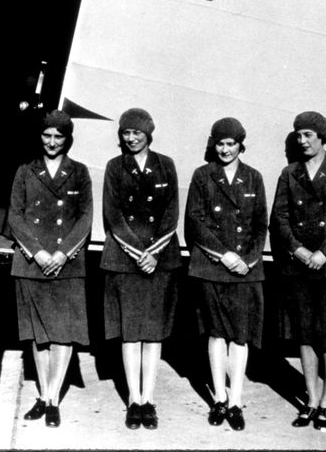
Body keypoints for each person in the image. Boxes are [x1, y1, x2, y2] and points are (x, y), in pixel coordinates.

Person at [269, 111, 326, 431]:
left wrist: (324, 253)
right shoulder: (289, 172)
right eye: (298, 135)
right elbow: (279, 218)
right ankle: (310, 399)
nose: (302, 140)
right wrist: (299, 250)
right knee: (305, 334)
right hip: (300, 266)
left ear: (322, 137)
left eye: (308, 134)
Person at [8, 110, 93, 428]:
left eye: (59, 136)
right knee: (38, 335)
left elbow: (85, 217)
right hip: (33, 263)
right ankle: (43, 396)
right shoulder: (24, 171)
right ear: (40, 137)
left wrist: (61, 253)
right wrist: (39, 252)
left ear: (67, 139)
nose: (53, 142)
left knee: (63, 333)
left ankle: (54, 398)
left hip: (66, 264)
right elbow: (15, 216)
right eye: (47, 136)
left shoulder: (80, 172)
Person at [100, 108, 182, 430]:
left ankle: (149, 398)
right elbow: (113, 215)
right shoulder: (114, 167)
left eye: (137, 132)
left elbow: (171, 212)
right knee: (131, 335)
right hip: (126, 259)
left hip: (159, 261)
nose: (131, 138)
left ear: (149, 133)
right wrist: (138, 253)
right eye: (126, 133)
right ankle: (134, 399)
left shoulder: (166, 165)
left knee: (153, 334)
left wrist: (154, 253)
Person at [184, 118, 267, 431]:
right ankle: (219, 397)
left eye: (231, 144)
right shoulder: (203, 176)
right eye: (220, 143)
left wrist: (247, 259)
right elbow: (195, 222)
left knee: (240, 335)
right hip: (213, 266)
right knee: (217, 333)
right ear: (213, 145)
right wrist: (225, 255)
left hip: (245, 268)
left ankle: (236, 400)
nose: (225, 149)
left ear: (240, 145)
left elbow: (261, 224)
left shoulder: (253, 177)